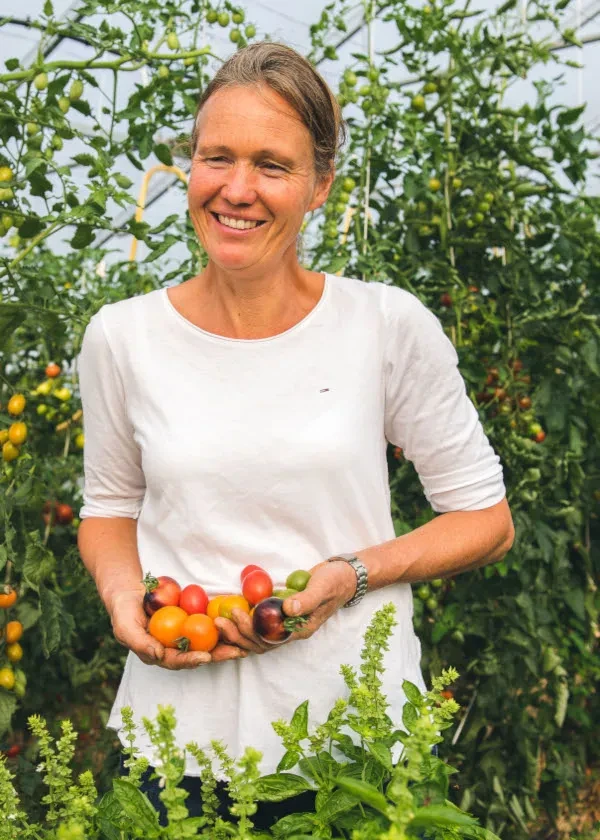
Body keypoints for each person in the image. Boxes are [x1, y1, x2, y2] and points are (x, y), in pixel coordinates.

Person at [77, 41, 514, 826]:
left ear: (319, 187)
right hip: (175, 743)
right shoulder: (122, 338)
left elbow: (487, 519)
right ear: (191, 169)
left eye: (272, 166)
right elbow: (109, 507)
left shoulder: (384, 326)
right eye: (217, 158)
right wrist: (123, 601)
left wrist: (352, 573)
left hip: (351, 747)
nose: (236, 190)